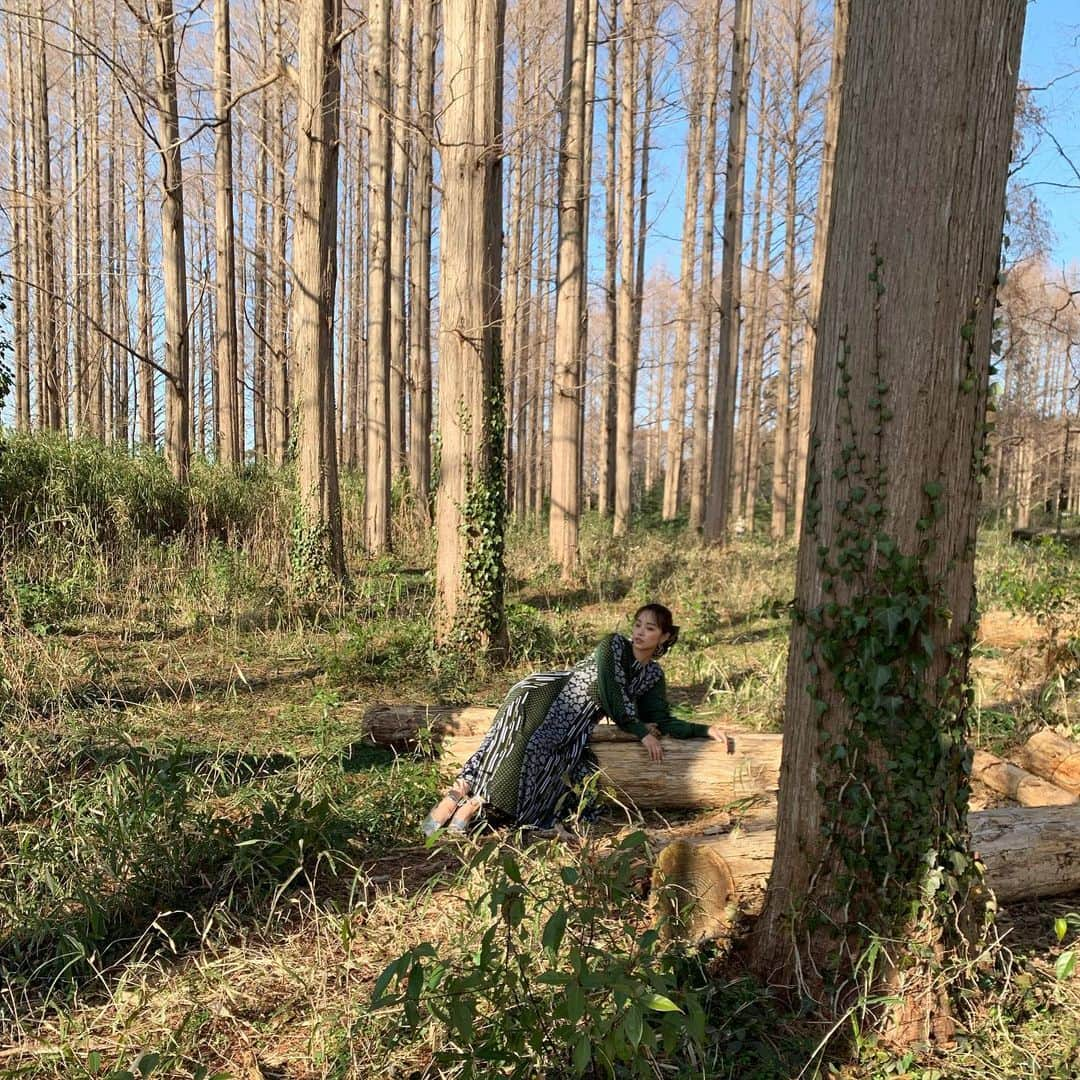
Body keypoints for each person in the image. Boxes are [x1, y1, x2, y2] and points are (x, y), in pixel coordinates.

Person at [421, 603, 735, 836]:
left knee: (557, 770)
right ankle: (459, 796)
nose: (639, 632)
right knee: (519, 746)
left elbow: (662, 719)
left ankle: (477, 805)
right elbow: (609, 691)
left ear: (664, 637)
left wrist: (703, 730)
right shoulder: (612, 645)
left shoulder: (652, 674)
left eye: (650, 628)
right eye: (638, 624)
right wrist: (640, 731)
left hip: (575, 725)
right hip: (545, 698)